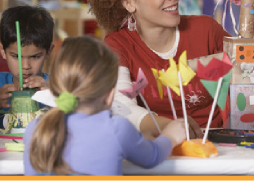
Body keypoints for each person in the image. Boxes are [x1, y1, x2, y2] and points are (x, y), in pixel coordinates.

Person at [86, 0, 230, 139]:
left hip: (218, 150)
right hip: (159, 152)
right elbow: (121, 106)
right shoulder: (118, 45)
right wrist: (170, 127)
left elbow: (250, 66)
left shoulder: (207, 30)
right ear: (129, 3)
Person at [23, 36, 186, 175]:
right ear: (109, 96)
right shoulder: (117, 129)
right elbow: (153, 156)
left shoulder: (34, 130)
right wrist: (170, 137)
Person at [0, 5, 55, 129]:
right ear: (3, 51)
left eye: (35, 56)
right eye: (16, 56)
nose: (26, 66)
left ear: (48, 52)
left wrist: (52, 97)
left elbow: (76, 118)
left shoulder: (55, 85)